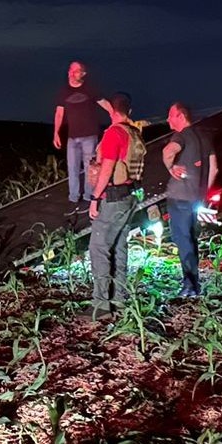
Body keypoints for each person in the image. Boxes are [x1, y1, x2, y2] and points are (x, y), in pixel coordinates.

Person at [86, 92, 146, 318]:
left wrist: (95, 197)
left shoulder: (114, 134)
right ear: (129, 111)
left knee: (99, 247)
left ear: (112, 109)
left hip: (114, 197)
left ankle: (101, 305)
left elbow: (108, 168)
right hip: (131, 195)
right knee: (119, 248)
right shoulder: (134, 133)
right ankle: (119, 300)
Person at [163, 102, 218, 298]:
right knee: (191, 240)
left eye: (170, 115)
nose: (167, 119)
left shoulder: (181, 136)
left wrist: (171, 168)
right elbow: (214, 168)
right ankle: (194, 283)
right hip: (196, 198)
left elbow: (168, 152)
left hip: (179, 198)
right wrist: (203, 191)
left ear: (180, 116)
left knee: (183, 240)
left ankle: (190, 286)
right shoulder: (204, 136)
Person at [54, 61, 114, 214]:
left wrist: (115, 116)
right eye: (72, 70)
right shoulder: (63, 91)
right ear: (68, 72)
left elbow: (104, 103)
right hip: (72, 137)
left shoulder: (90, 89)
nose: (74, 73)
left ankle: (88, 198)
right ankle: (73, 198)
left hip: (89, 136)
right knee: (72, 168)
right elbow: (59, 113)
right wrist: (56, 133)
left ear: (83, 74)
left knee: (89, 169)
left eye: (78, 71)